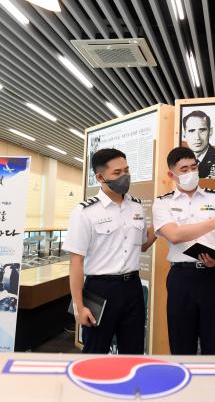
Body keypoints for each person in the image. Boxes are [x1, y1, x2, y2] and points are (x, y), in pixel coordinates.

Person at [152, 147, 215, 355]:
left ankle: (213, 386)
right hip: (181, 278)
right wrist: (213, 223)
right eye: (183, 169)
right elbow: (174, 235)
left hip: (214, 275)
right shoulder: (163, 203)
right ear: (171, 174)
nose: (190, 172)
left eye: (193, 167)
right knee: (181, 343)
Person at [64, 148, 156, 354]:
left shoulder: (136, 207)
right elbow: (76, 262)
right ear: (100, 177)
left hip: (133, 288)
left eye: (126, 170)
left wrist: (161, 224)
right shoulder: (85, 212)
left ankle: (131, 387)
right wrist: (79, 307)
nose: (125, 176)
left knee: (133, 351)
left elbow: (142, 244)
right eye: (117, 173)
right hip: (99, 290)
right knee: (95, 351)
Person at [182, 111, 215, 178]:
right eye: (191, 131)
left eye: (202, 130)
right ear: (184, 134)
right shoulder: (181, 159)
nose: (197, 137)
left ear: (210, 132)